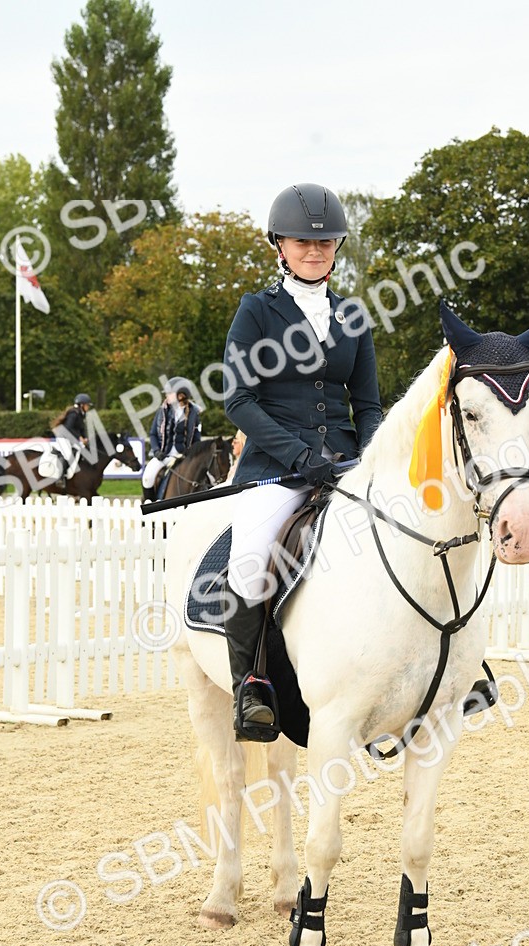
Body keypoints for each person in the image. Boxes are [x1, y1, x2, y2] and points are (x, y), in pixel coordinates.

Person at [222, 183, 382, 740]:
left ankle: (443, 670)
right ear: (280, 246)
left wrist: (369, 460)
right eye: (301, 242)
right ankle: (253, 689)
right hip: (274, 466)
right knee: (249, 559)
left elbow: (366, 406)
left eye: (325, 242)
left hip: (345, 463)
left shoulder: (354, 317)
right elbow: (238, 399)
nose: (314, 250)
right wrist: (299, 455)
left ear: (337, 246)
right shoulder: (256, 311)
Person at [142, 386, 177, 504]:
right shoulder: (161, 412)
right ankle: (149, 505)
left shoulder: (191, 412)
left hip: (183, 455)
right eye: (167, 394)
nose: (167, 396)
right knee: (147, 477)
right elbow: (153, 434)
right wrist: (156, 451)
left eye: (170, 393)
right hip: (164, 455)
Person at [51, 394, 92, 480]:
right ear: (81, 405)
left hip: (71, 438)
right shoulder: (73, 413)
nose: (88, 407)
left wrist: (85, 438)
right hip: (63, 437)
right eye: (87, 405)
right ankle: (60, 477)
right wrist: (79, 437)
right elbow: (68, 427)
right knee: (68, 455)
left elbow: (81, 428)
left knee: (82, 451)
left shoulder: (81, 414)